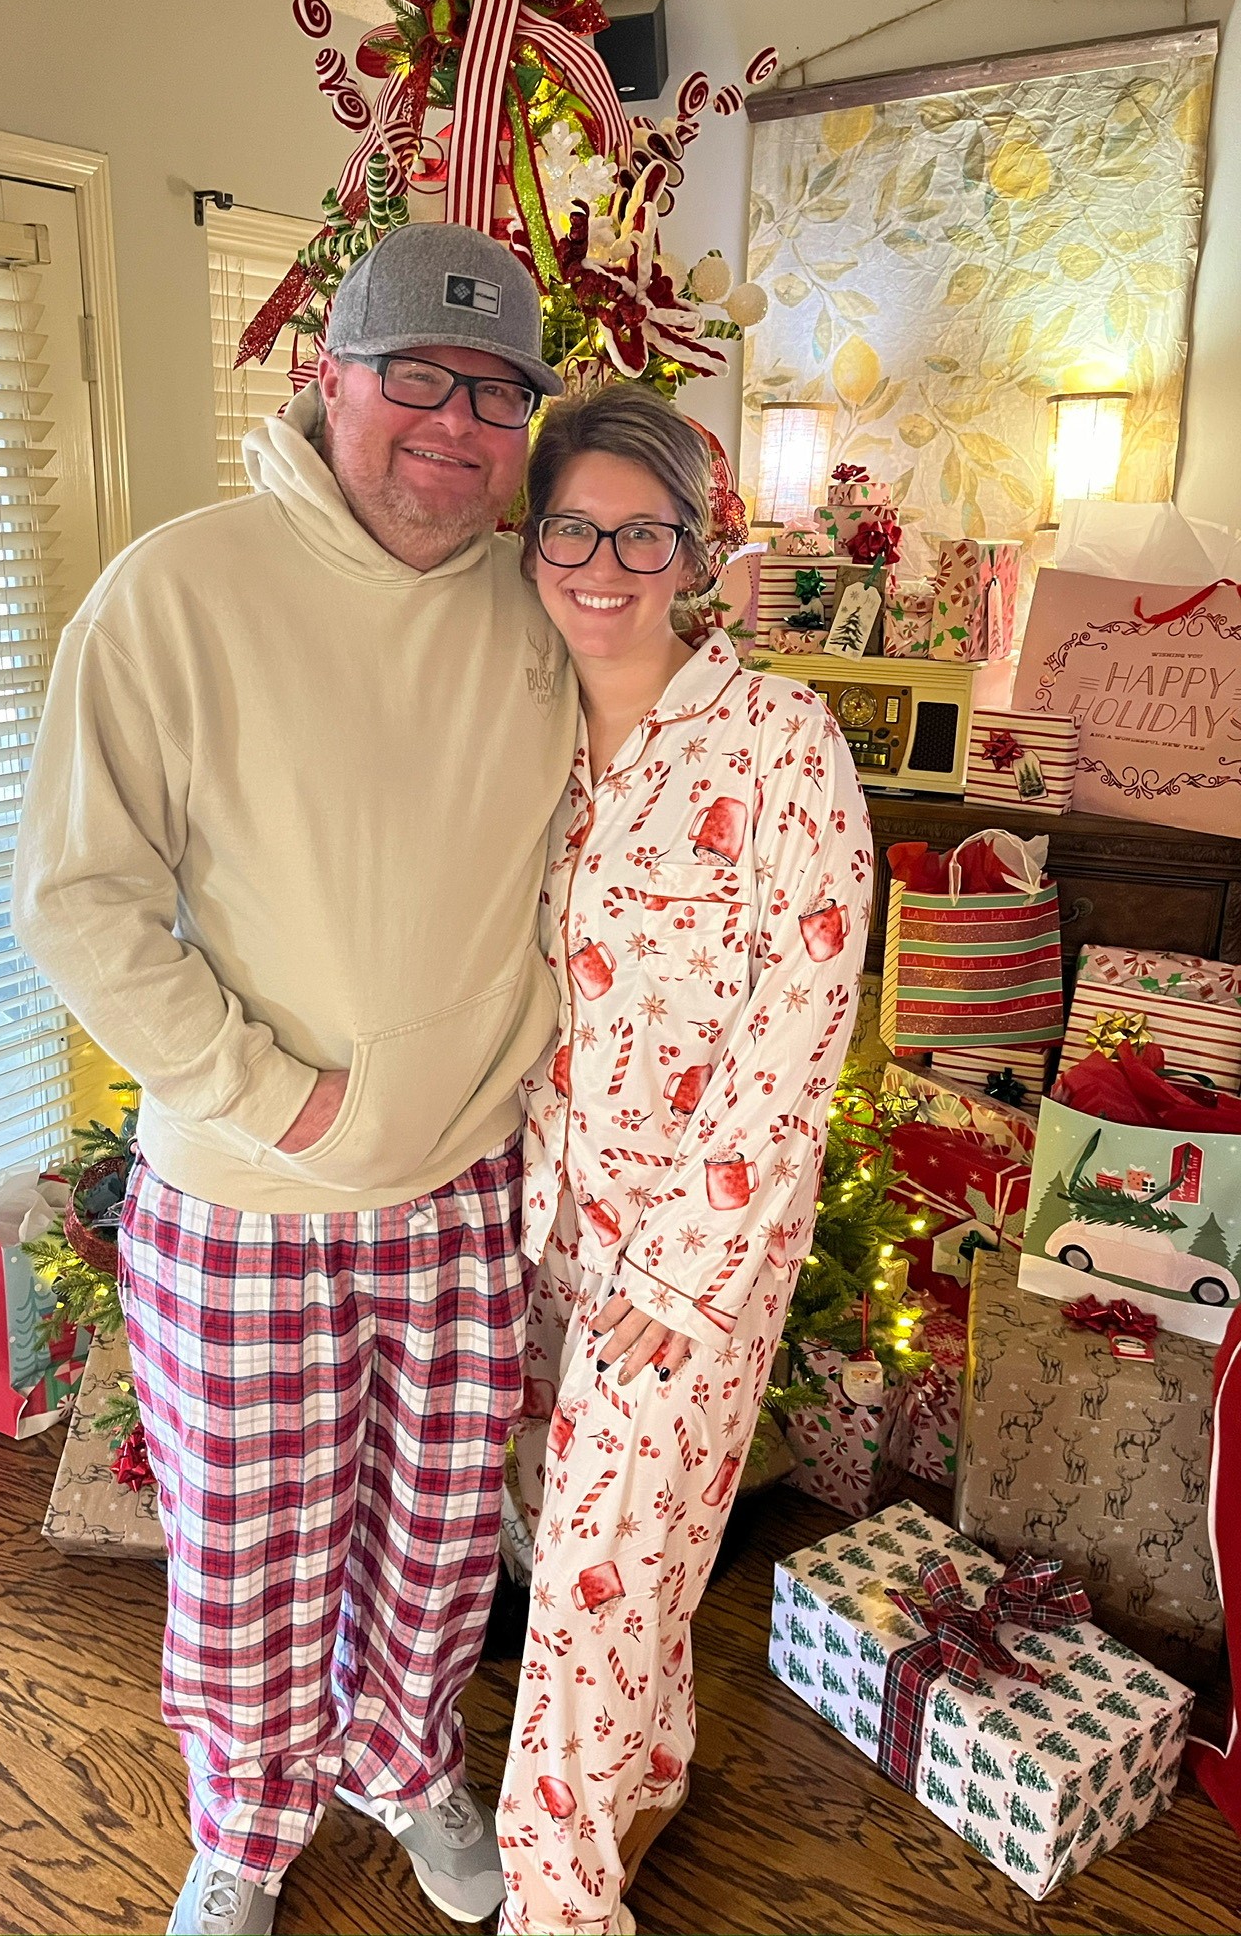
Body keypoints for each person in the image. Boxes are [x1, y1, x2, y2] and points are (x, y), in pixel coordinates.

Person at [12, 222, 579, 1936]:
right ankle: (247, 1834)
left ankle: (409, 1768)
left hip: (463, 1187)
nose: (457, 423)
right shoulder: (176, 593)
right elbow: (78, 901)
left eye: (497, 392)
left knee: (435, 1543)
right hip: (250, 1196)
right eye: (419, 377)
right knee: (251, 1566)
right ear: (327, 377)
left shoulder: (544, 604)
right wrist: (283, 1100)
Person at [496, 386, 871, 1935]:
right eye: (572, 530)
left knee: (596, 1567)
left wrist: (686, 1268)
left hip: (689, 1260)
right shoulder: (515, 732)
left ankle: (558, 1902)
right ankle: (648, 1769)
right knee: (594, 1560)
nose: (603, 566)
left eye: (641, 535)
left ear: (696, 552)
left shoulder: (782, 744)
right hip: (531, 1225)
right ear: (531, 543)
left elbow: (802, 1025)